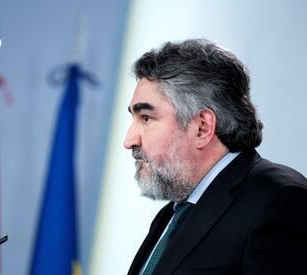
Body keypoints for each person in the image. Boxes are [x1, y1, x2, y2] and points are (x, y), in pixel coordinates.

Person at [124, 39, 307, 275]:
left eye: (146, 118)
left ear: (202, 127)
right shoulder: (173, 214)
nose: (129, 141)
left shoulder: (280, 202)